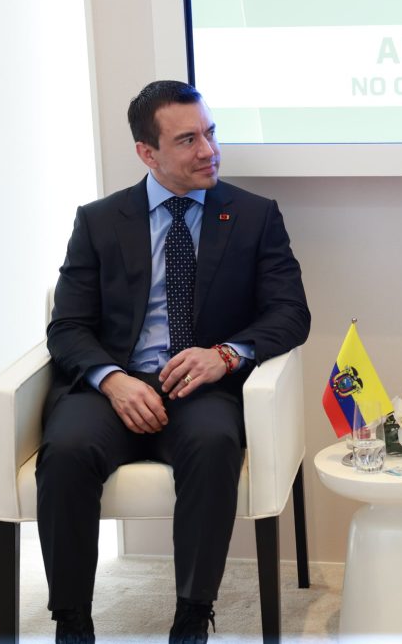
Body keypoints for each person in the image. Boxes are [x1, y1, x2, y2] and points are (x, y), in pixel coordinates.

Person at [38, 80, 310, 644]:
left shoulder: (254, 216)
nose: (209, 150)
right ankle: (72, 620)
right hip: (113, 387)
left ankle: (192, 614)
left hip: (200, 386)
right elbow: (66, 327)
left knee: (213, 445)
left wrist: (225, 355)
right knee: (64, 451)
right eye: (188, 140)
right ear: (148, 152)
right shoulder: (99, 220)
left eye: (210, 133)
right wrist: (111, 379)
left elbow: (291, 314)